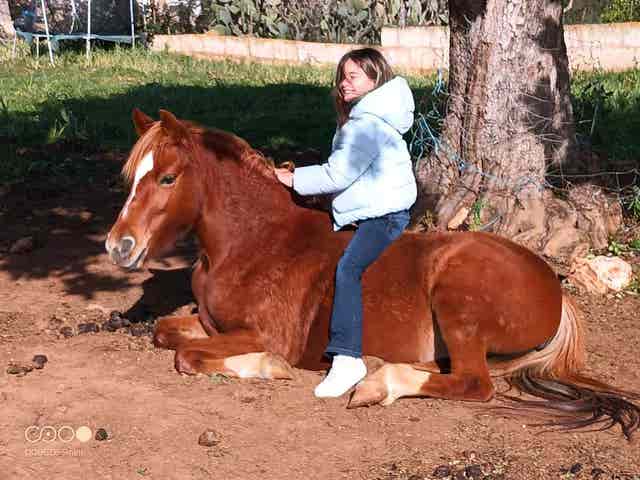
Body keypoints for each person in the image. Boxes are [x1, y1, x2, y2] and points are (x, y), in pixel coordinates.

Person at [274, 48, 417, 398]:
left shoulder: (367, 124)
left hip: (383, 215)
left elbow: (338, 174)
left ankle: (348, 357)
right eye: (342, 76)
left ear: (375, 79)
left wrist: (291, 179)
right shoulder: (368, 117)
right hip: (370, 208)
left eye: (353, 76)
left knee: (348, 269)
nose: (344, 83)